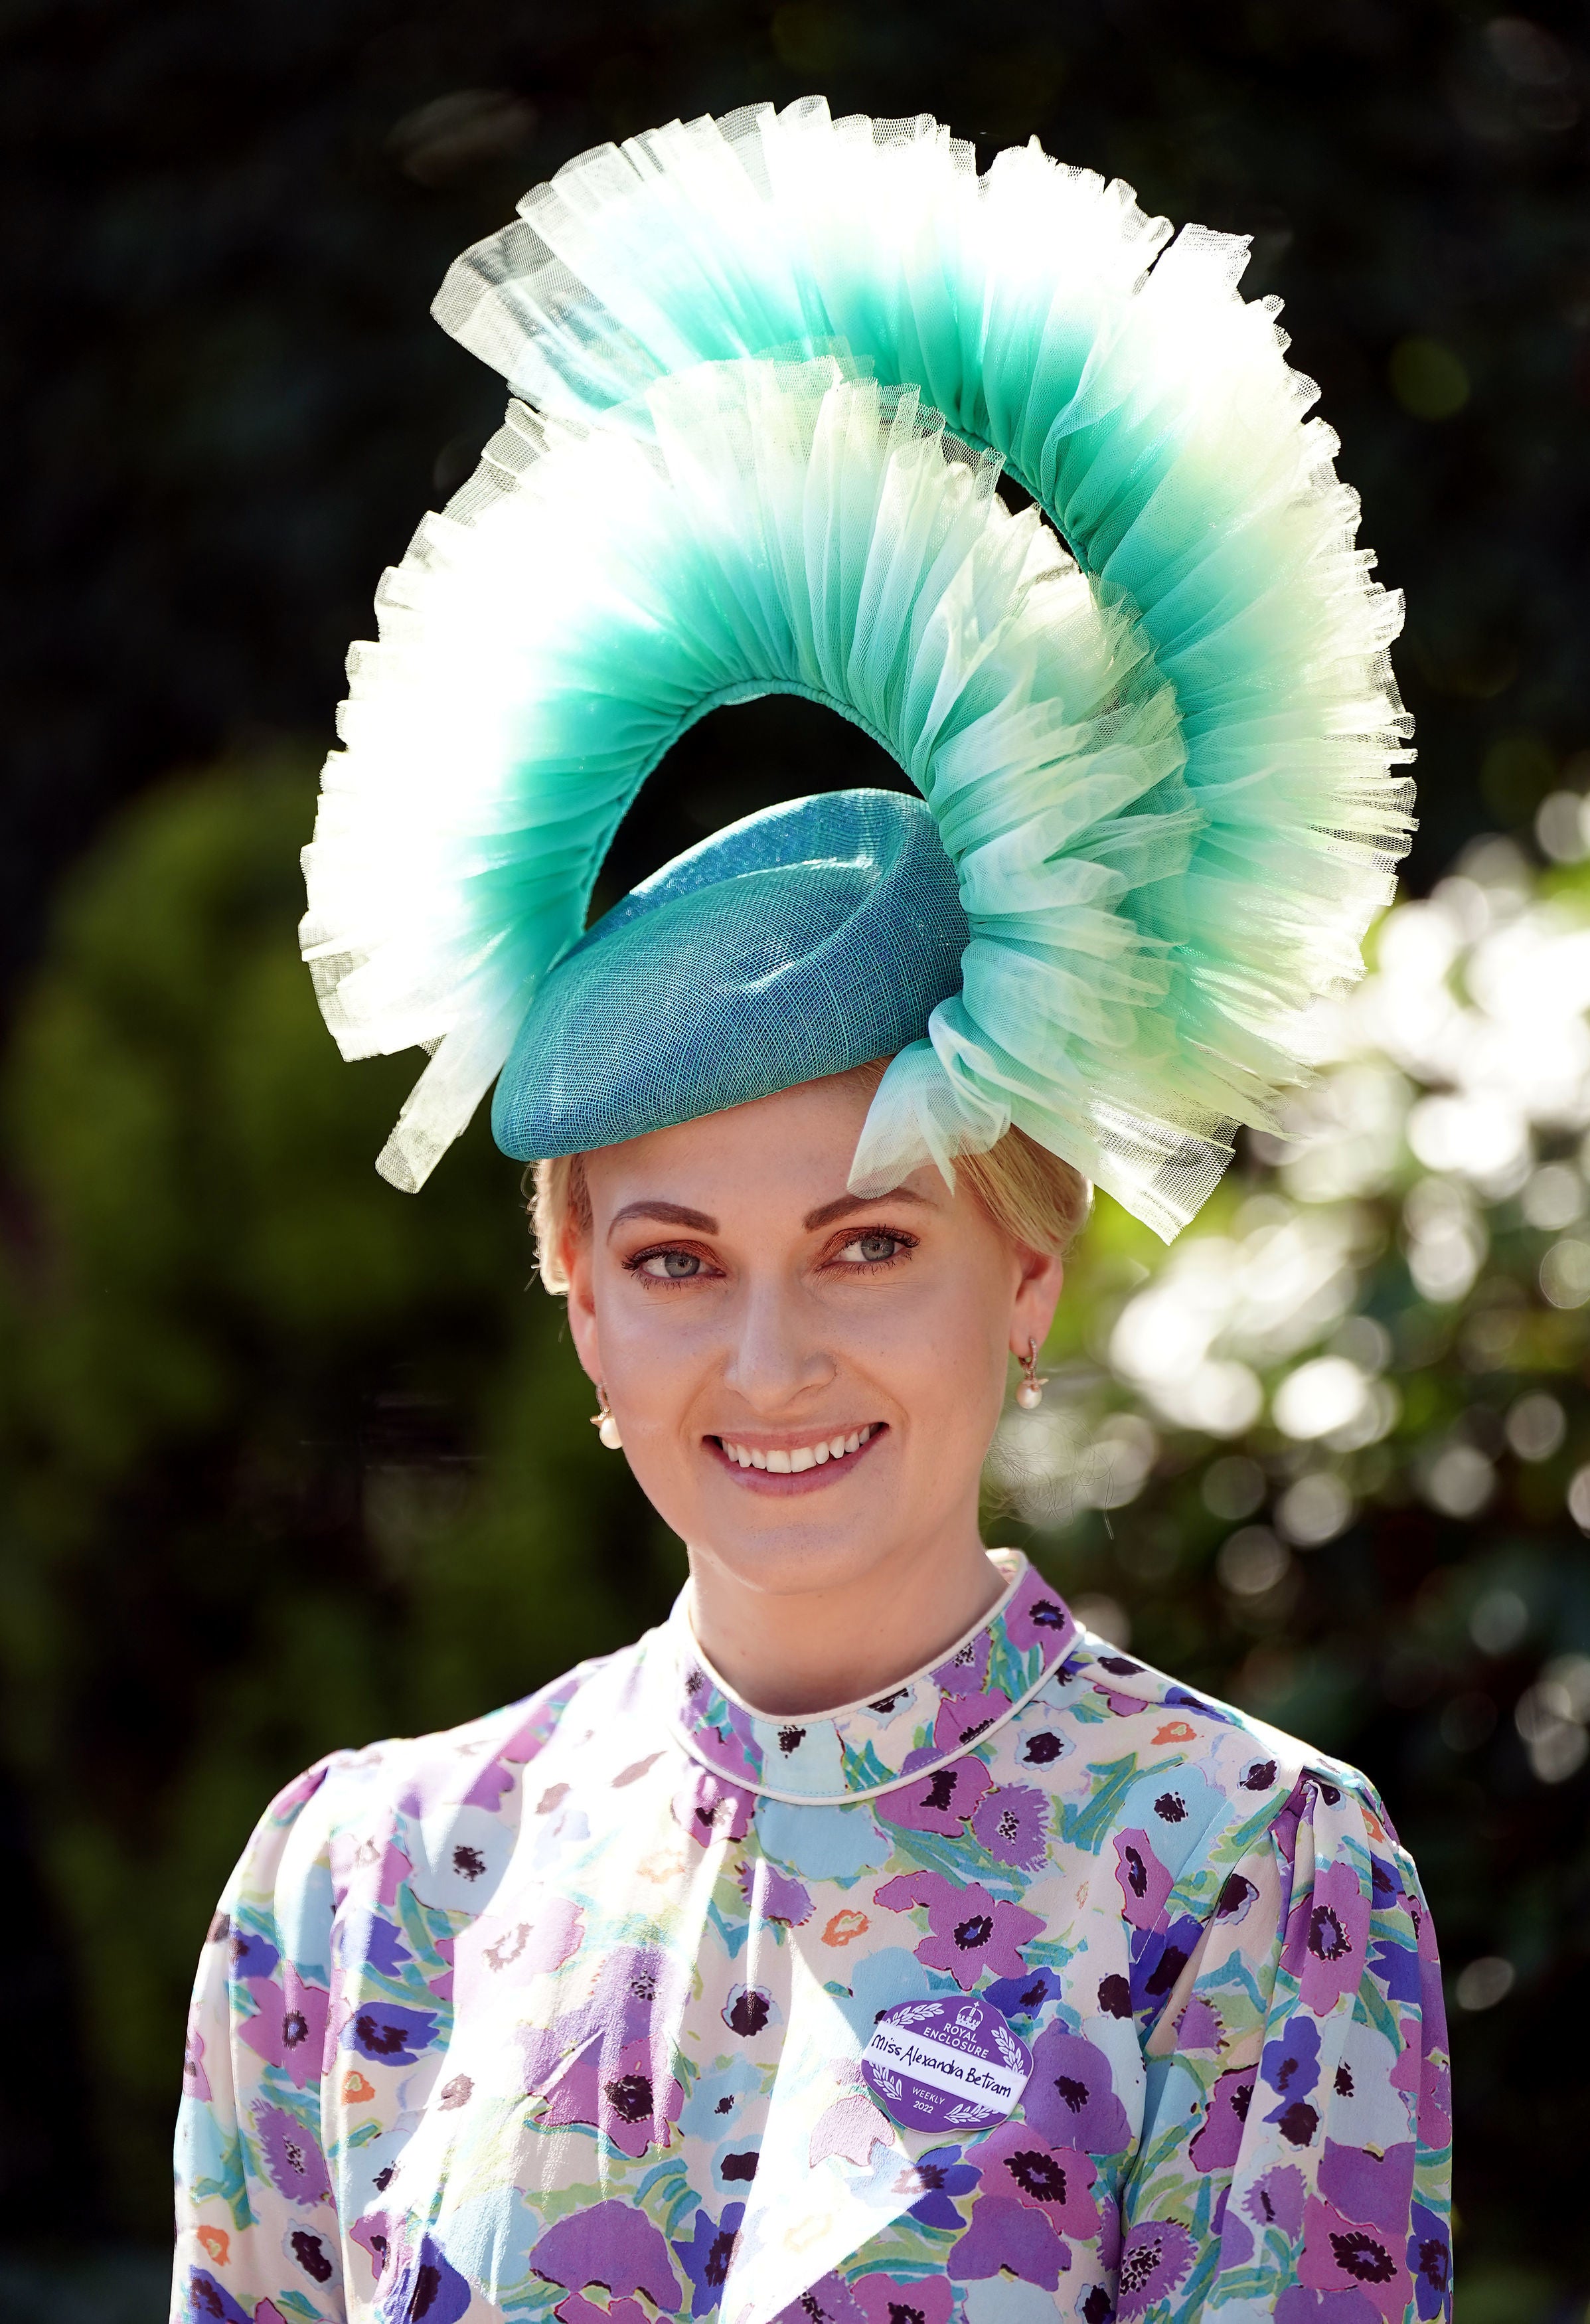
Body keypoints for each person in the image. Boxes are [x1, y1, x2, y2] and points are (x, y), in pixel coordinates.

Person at [173, 101, 1451, 2324]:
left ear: (1026, 1273)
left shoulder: (1245, 1867)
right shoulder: (362, 1885)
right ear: (575, 1295)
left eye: (868, 1241)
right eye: (674, 1259)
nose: (767, 1360)